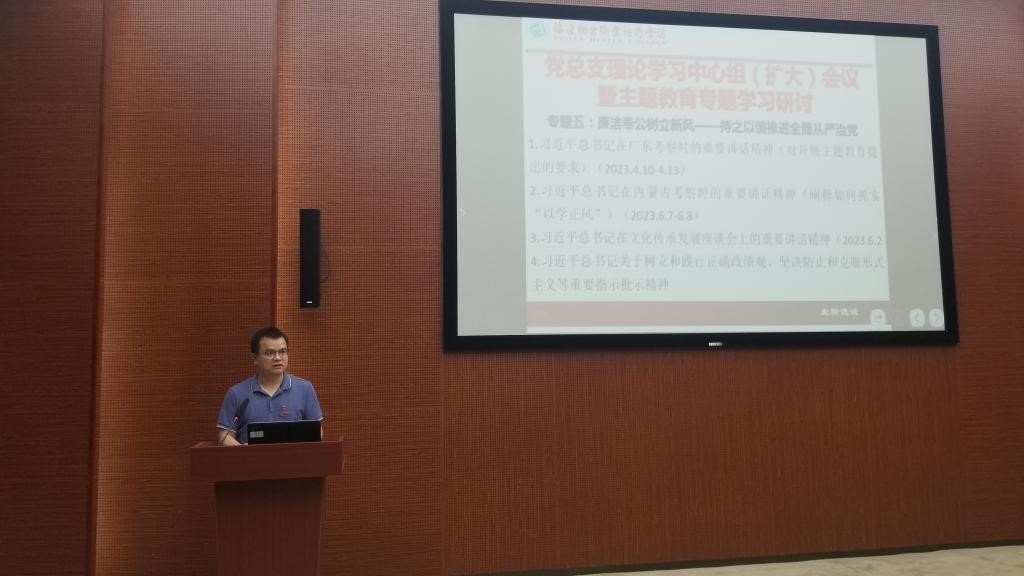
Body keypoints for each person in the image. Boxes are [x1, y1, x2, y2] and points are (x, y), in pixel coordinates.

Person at [217, 326, 323, 445]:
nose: (277, 358)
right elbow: (225, 436)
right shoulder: (236, 393)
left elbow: (317, 431)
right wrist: (245, 452)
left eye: (282, 352)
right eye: (270, 353)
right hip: (251, 457)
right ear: (255, 358)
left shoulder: (304, 389)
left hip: (294, 456)